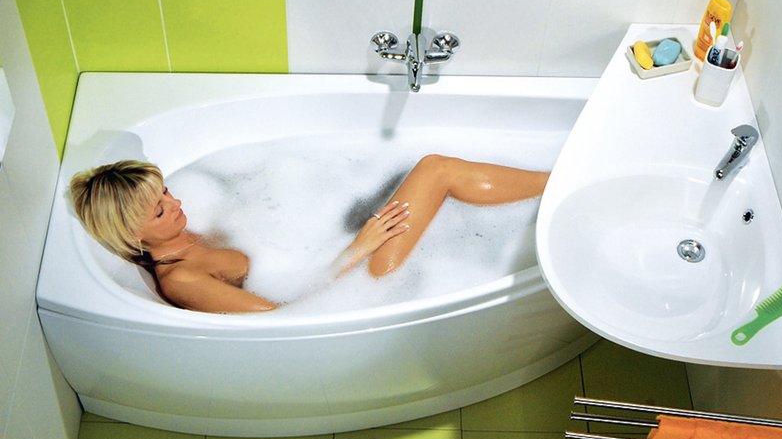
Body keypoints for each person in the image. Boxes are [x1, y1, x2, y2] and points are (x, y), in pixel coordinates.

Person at [69, 156, 549, 314]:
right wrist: (359, 247)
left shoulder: (186, 231)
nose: (176, 204)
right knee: (436, 170)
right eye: (160, 210)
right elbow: (287, 317)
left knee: (434, 171)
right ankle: (561, 183)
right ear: (131, 234)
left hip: (336, 255)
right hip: (364, 277)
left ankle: (554, 185)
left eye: (167, 192)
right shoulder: (182, 280)